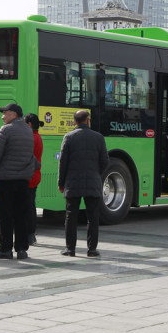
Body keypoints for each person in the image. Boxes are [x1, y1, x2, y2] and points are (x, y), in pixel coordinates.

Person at [0, 103, 39, 260]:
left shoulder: (5, 130)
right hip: (22, 181)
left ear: (14, 114)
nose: (2, 116)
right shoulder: (28, 132)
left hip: (5, 180)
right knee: (21, 215)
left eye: (5, 113)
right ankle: (22, 249)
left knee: (5, 215)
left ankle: (5, 249)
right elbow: (31, 157)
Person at [58, 110, 109, 257]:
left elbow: (63, 163)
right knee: (93, 217)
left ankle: (70, 249)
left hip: (72, 182)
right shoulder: (98, 137)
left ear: (75, 122)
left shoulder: (68, 137)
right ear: (88, 120)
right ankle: (92, 249)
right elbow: (105, 161)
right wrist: (95, 173)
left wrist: (61, 183)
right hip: (93, 182)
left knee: (71, 216)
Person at [25, 113, 44, 246]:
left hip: (29, 176)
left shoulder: (31, 138)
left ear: (29, 125)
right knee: (30, 205)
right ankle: (30, 234)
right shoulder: (37, 137)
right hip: (34, 175)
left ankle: (30, 234)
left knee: (28, 207)